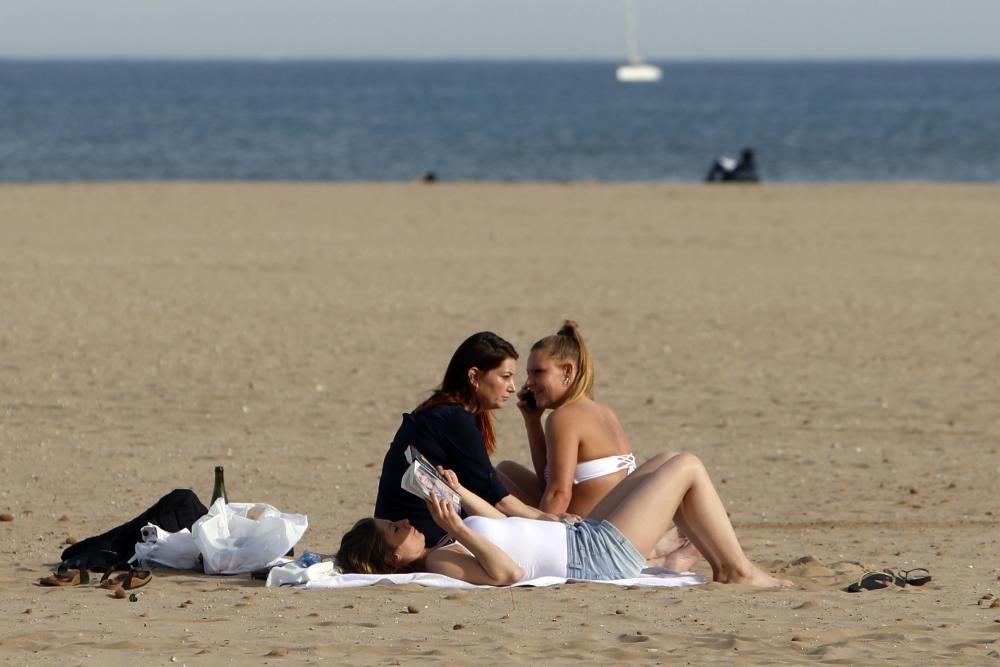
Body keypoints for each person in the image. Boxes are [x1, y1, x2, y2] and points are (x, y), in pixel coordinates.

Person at [337, 454, 792, 588]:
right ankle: (735, 571)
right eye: (394, 530)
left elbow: (502, 523)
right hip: (595, 556)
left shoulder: (439, 549)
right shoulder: (438, 564)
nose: (404, 522)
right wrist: (456, 528)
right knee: (687, 467)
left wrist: (460, 495)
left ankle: (731, 567)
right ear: (393, 557)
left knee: (666, 461)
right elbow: (508, 573)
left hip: (582, 535)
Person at [373, 332, 559, 548]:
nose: (513, 387)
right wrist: (550, 523)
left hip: (399, 528)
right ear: (473, 377)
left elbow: (487, 487)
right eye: (505, 376)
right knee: (514, 530)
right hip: (416, 536)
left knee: (503, 473)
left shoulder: (442, 409)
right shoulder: (454, 419)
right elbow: (498, 499)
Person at [496, 321, 637, 517]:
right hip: (623, 527)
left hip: (589, 535)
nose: (528, 383)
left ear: (567, 371)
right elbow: (549, 479)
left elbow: (558, 494)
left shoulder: (563, 418)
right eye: (528, 374)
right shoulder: (604, 411)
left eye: (538, 372)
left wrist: (537, 535)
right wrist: (532, 423)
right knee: (506, 470)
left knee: (494, 488)